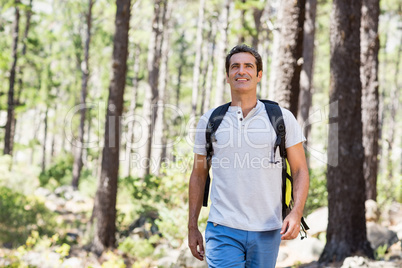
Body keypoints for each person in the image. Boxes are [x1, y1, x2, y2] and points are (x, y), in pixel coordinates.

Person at [187, 44, 309, 267]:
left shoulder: (281, 118)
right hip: (222, 228)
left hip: (267, 230)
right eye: (235, 66)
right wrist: (192, 226)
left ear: (259, 74)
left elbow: (300, 169)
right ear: (227, 76)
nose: (241, 71)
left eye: (248, 66)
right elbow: (198, 174)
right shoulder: (209, 121)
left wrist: (296, 212)